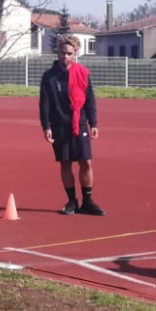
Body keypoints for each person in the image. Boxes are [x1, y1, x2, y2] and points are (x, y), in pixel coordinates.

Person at [39, 34, 105, 216]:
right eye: (62, 52)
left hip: (80, 123)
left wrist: (93, 123)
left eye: (69, 53)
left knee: (86, 162)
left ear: (76, 54)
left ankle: (87, 202)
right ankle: (72, 201)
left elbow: (90, 100)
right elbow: (44, 104)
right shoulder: (49, 77)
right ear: (58, 52)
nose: (65, 56)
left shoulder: (83, 73)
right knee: (65, 163)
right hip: (59, 125)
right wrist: (46, 126)